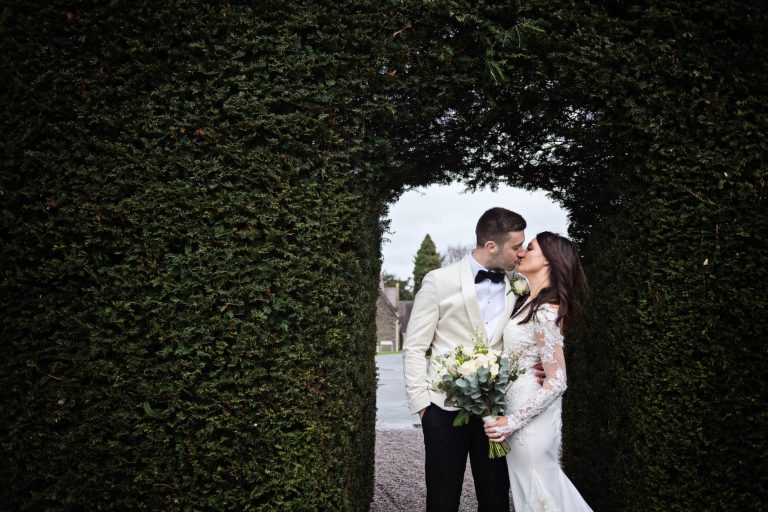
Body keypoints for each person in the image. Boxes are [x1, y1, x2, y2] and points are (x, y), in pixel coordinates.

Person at [403, 207, 527, 512]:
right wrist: (423, 407)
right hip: (444, 410)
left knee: (496, 498)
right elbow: (415, 347)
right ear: (491, 246)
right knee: (443, 500)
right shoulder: (438, 281)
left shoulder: (519, 283)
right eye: (516, 246)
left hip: (494, 412)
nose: (521, 253)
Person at [484, 231, 592, 511]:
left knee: (541, 494)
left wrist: (512, 422)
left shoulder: (545, 311)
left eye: (529, 248)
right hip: (520, 411)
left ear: (548, 262)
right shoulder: (529, 303)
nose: (521, 252)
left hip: (529, 421)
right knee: (533, 492)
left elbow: (557, 381)